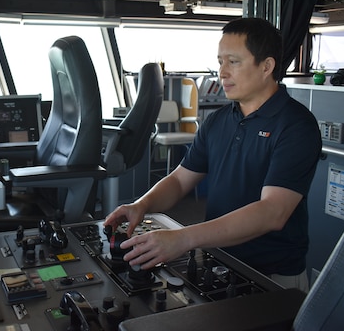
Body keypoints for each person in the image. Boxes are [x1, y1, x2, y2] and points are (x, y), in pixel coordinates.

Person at [104, 17, 322, 291]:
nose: (222, 72)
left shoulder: (296, 125)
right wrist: (142, 205)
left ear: (266, 66)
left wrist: (183, 238)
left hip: (272, 274)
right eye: (220, 61)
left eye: (234, 62)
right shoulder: (218, 121)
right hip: (218, 258)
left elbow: (272, 212)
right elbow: (181, 180)